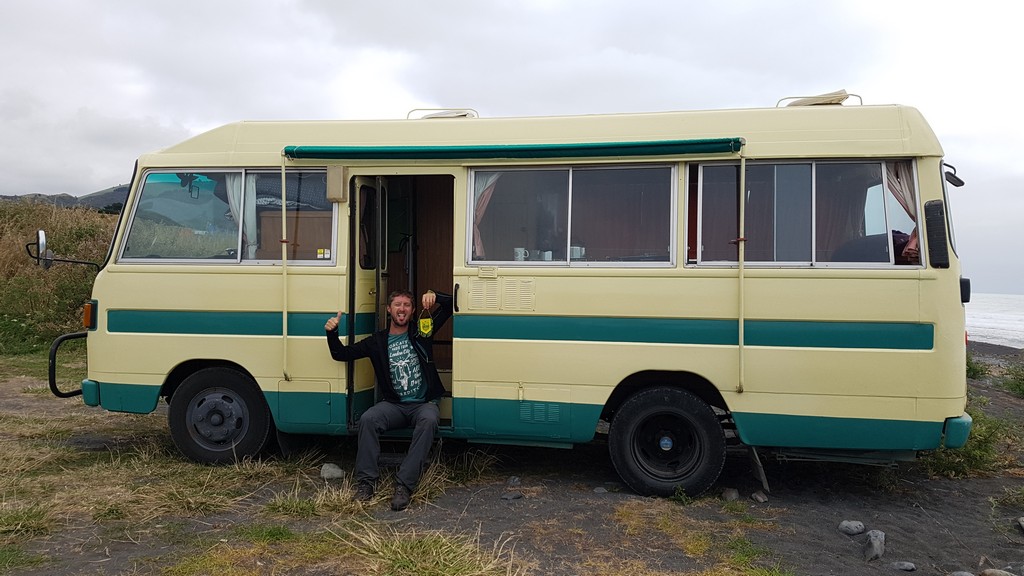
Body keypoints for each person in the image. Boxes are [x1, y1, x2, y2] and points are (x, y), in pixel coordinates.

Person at [324, 289, 453, 511]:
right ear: (389, 310)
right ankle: (366, 484)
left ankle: (404, 485)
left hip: (423, 404)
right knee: (368, 419)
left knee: (429, 420)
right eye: (397, 305)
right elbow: (341, 354)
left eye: (406, 305)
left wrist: (434, 296)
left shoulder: (422, 331)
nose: (402, 309)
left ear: (413, 311)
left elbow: (450, 306)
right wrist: (332, 333)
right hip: (394, 405)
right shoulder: (377, 341)